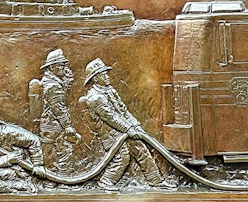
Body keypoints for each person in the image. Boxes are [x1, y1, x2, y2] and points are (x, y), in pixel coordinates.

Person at [80, 58, 174, 191]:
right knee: (122, 157)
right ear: (95, 79)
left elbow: (123, 111)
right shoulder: (95, 97)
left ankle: (156, 181)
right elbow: (111, 118)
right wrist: (128, 128)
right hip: (112, 136)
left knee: (141, 151)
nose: (107, 77)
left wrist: (135, 125)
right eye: (103, 74)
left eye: (106, 74)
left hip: (124, 132)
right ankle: (106, 182)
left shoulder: (109, 91)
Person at [0, 101, 46, 193]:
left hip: (20, 169)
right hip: (0, 172)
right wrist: (7, 159)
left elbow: (34, 140)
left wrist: (38, 165)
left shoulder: (9, 132)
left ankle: (25, 183)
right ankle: (22, 186)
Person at [30, 48, 80, 175]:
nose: (64, 68)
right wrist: (68, 126)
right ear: (52, 67)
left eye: (64, 65)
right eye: (61, 65)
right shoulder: (53, 85)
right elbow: (58, 108)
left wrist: (66, 83)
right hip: (54, 125)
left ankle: (51, 180)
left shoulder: (51, 81)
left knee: (51, 153)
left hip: (49, 125)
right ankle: (62, 178)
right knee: (63, 151)